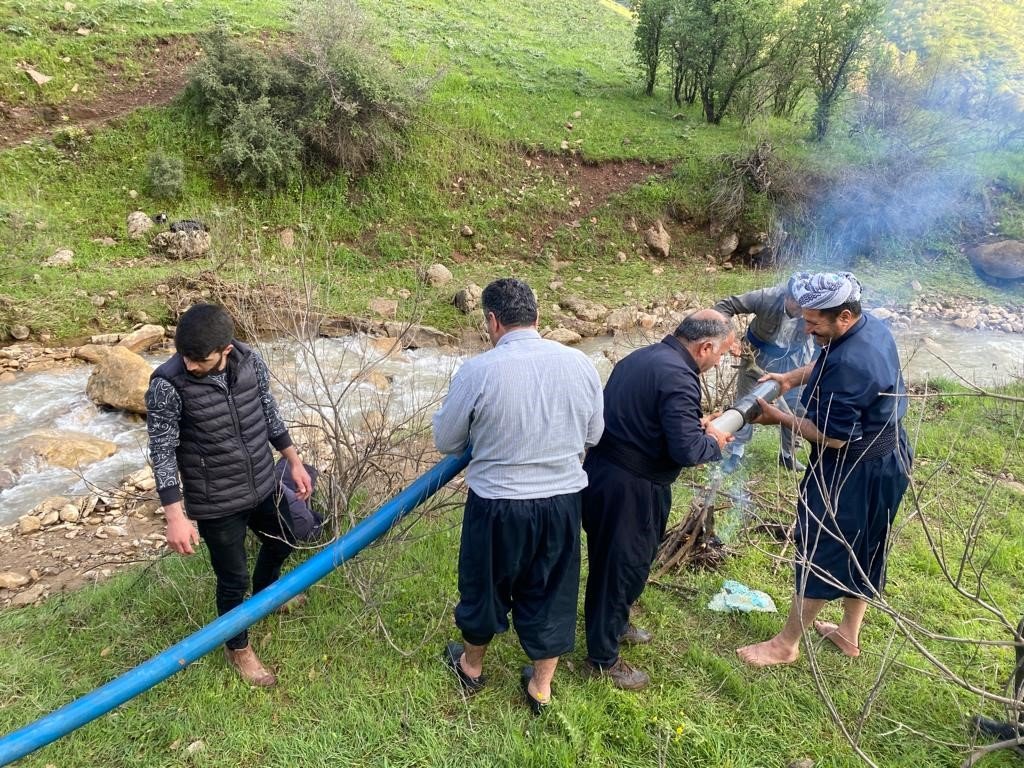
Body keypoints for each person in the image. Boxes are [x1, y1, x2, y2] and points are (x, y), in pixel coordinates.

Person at [432, 278, 604, 714]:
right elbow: (594, 434)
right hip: (562, 503)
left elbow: (447, 440)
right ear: (538, 318)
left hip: (496, 505)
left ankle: (471, 668)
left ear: (492, 321)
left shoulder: (479, 370)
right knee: (552, 591)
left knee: (484, 586)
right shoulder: (580, 363)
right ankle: (540, 688)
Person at [736, 272, 911, 667]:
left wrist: (777, 418)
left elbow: (833, 438)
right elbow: (823, 363)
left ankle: (785, 645)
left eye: (814, 322)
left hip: (854, 467)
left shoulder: (852, 364)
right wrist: (787, 378)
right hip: (890, 456)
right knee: (867, 543)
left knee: (821, 546)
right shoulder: (870, 328)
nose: (807, 328)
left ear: (844, 316)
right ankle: (849, 634)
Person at [145, 303, 312, 687]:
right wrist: (175, 515)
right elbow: (162, 450)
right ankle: (238, 648)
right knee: (232, 579)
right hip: (216, 500)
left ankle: (269, 592)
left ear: (226, 350)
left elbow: (268, 413)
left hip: (262, 482)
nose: (188, 365)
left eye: (198, 359)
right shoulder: (167, 385)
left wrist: (294, 461)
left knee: (285, 540)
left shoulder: (251, 361)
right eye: (183, 355)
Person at [581, 310, 735, 690]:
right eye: (722, 354)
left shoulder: (644, 358)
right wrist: (713, 440)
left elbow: (653, 421)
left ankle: (615, 624)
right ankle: (602, 658)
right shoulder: (679, 376)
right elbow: (686, 450)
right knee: (618, 569)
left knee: (629, 563)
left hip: (607, 474)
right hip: (630, 487)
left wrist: (694, 426)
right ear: (706, 346)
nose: (721, 361)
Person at [713, 275, 815, 473]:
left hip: (793, 362)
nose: (801, 311)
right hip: (755, 358)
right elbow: (726, 305)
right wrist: (727, 338)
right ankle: (737, 452)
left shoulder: (813, 308)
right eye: (797, 303)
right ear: (787, 296)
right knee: (746, 403)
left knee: (795, 407)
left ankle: (787, 455)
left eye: (805, 306)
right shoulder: (766, 297)